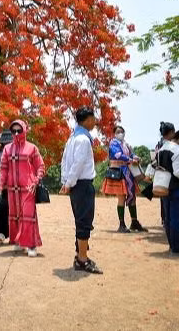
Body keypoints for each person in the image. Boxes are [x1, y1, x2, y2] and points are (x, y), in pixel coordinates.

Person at [60, 107, 102, 274]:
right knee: (84, 222)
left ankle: (80, 255)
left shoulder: (72, 138)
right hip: (82, 184)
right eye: (93, 119)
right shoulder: (83, 140)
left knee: (80, 221)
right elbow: (77, 164)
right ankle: (82, 260)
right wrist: (69, 182)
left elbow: (64, 162)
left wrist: (66, 182)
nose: (94, 122)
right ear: (87, 120)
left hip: (75, 185)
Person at [0, 120, 45, 257]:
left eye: (19, 130)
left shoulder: (32, 148)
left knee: (28, 216)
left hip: (28, 189)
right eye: (14, 131)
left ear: (24, 130)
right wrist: (1, 184)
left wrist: (36, 180)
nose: (17, 133)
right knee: (15, 216)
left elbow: (40, 166)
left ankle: (31, 245)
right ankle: (18, 241)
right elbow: (4, 169)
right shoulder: (7, 149)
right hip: (12, 189)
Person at [100, 126, 147, 233]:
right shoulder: (113, 144)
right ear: (114, 133)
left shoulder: (126, 144)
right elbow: (118, 155)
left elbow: (131, 154)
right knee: (121, 198)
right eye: (118, 132)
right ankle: (121, 224)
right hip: (118, 173)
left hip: (128, 173)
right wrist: (131, 159)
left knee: (132, 197)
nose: (120, 133)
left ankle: (134, 222)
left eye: (122, 131)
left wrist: (136, 157)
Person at [0, 129, 13, 243]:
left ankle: (13, 234)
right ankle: (1, 233)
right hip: (2, 185)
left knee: (14, 211)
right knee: (0, 208)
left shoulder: (16, 151)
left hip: (14, 186)